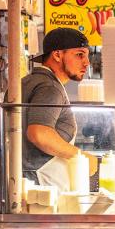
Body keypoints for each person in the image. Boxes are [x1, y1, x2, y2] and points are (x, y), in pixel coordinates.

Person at [21, 28, 95, 185]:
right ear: (57, 55)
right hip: (40, 184)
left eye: (87, 56)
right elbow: (39, 133)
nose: (87, 63)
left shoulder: (28, 81)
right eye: (79, 55)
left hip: (25, 180)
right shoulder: (50, 87)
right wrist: (81, 155)